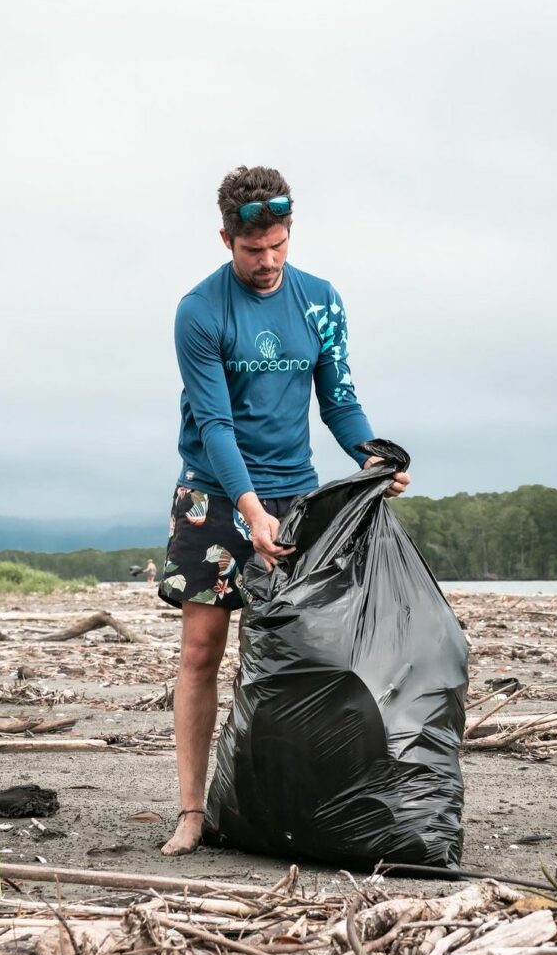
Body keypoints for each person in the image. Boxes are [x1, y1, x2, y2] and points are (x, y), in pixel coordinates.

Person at [157, 165, 410, 856]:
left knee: (302, 654)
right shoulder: (200, 311)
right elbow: (214, 423)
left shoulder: (320, 300)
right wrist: (247, 512)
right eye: (251, 251)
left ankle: (293, 803)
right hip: (214, 495)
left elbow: (338, 398)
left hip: (296, 496)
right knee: (202, 651)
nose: (266, 263)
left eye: (277, 246)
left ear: (288, 234)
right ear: (225, 240)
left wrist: (372, 457)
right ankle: (189, 811)